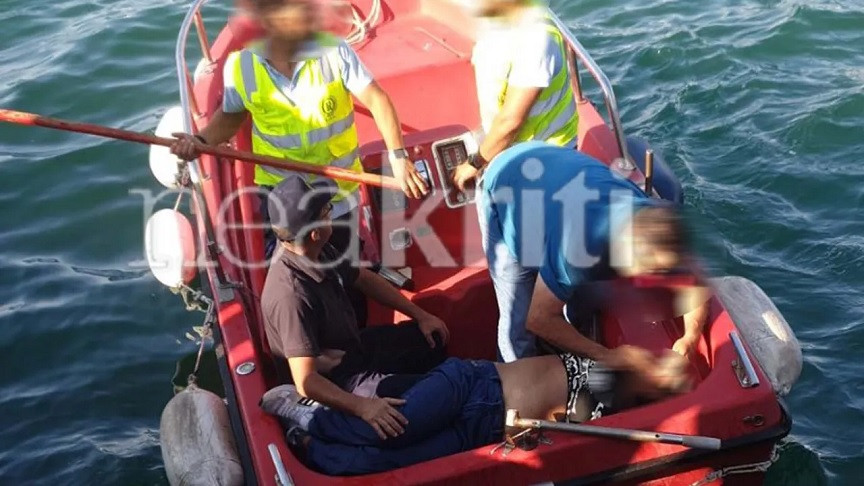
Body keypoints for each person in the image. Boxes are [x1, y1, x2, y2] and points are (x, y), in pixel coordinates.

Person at [171, 0, 429, 257]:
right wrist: (200, 141)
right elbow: (230, 116)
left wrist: (398, 157)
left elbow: (376, 99)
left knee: (342, 261)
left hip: (336, 191)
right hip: (279, 192)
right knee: (290, 266)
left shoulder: (333, 51)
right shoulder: (240, 67)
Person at [261, 349, 692, 475]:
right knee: (389, 431)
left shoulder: (619, 418)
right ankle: (307, 411)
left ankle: (308, 444)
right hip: (473, 385)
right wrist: (687, 341)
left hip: (484, 432)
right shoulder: (617, 366)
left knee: (384, 464)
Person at [477, 142, 710, 370]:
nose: (662, 278)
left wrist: (690, 337)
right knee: (517, 315)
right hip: (505, 183)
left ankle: (570, 346)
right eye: (652, 271)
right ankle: (514, 380)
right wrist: (606, 356)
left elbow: (693, 283)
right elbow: (537, 318)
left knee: (578, 293)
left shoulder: (654, 216)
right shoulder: (578, 249)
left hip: (556, 170)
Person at [261, 174, 450, 436]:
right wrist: (363, 407)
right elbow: (306, 381)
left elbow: (363, 278)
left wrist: (421, 315)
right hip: (341, 382)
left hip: (354, 350)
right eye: (327, 210)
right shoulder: (290, 295)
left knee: (432, 341)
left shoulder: (318, 250)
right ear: (315, 233)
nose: (331, 214)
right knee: (433, 400)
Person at [452, 0, 579, 191]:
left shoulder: (537, 41)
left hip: (544, 157)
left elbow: (511, 121)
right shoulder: (498, 21)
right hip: (509, 145)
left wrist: (475, 163)